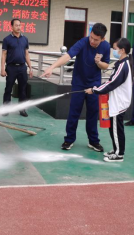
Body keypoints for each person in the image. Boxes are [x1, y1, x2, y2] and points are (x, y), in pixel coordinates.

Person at [41, 23, 111, 152]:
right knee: (74, 112)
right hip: (79, 83)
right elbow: (68, 56)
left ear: (102, 39)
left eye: (96, 40)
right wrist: (51, 67)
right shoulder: (83, 42)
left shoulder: (106, 46)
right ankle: (69, 139)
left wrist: (98, 62)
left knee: (93, 113)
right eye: (91, 37)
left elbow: (106, 65)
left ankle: (93, 141)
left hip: (94, 84)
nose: (92, 41)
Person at [85, 38, 133, 163]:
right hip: (116, 101)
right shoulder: (121, 63)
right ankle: (116, 149)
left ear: (122, 50)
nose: (113, 51)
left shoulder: (123, 66)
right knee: (113, 128)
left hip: (119, 102)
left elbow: (112, 83)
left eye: (115, 49)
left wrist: (94, 90)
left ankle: (119, 154)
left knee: (116, 129)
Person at [1, 19, 33, 117]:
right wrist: (2, 69)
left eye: (19, 25)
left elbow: (26, 54)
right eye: (16, 25)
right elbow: (4, 54)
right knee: (8, 89)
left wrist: (30, 67)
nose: (18, 27)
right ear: (11, 26)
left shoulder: (25, 39)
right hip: (11, 68)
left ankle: (22, 109)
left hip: (22, 68)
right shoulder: (7, 39)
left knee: (23, 89)